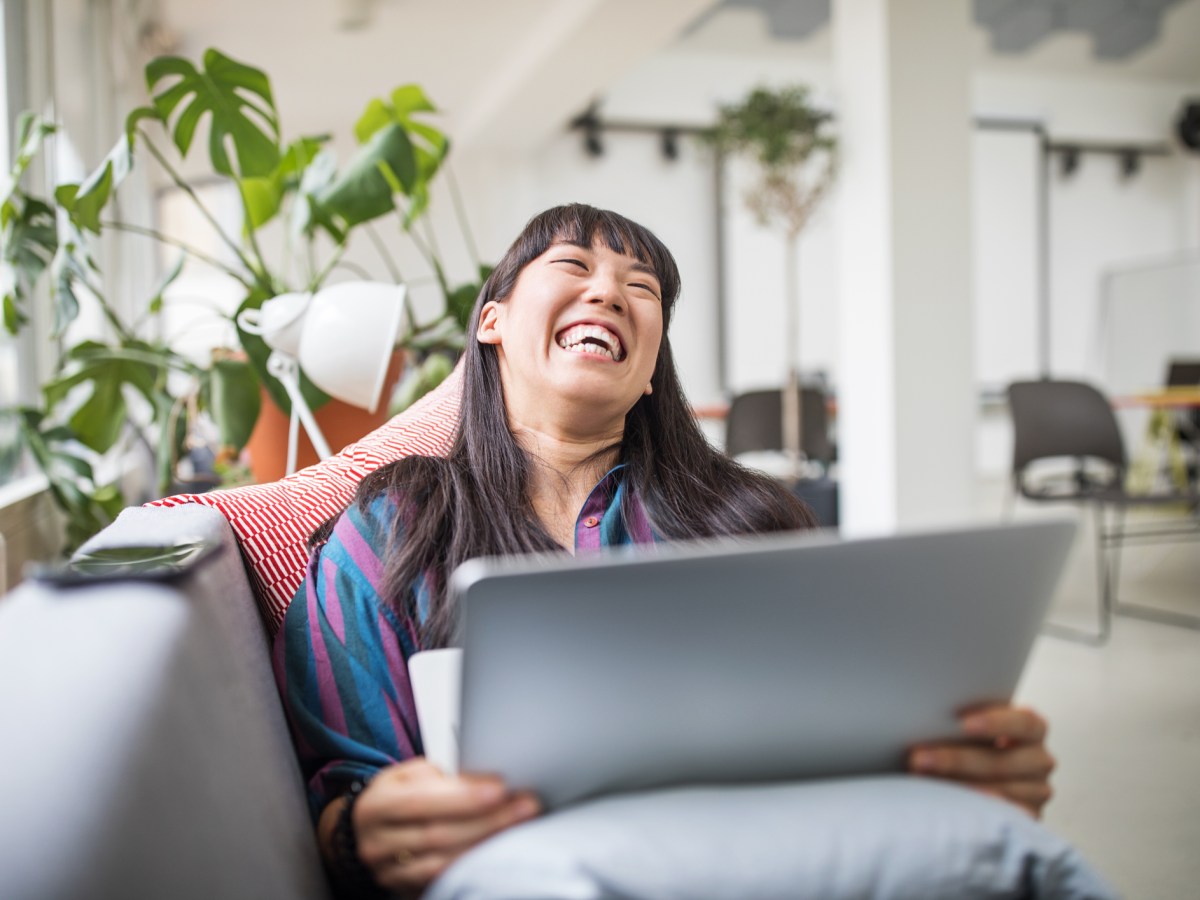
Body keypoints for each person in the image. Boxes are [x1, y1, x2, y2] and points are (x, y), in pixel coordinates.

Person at [274, 203, 1055, 898]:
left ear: (650, 370)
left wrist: (957, 766)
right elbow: (348, 787)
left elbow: (848, 734)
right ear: (493, 322)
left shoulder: (751, 520)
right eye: (573, 265)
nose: (609, 292)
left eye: (640, 288)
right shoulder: (396, 523)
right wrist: (362, 832)